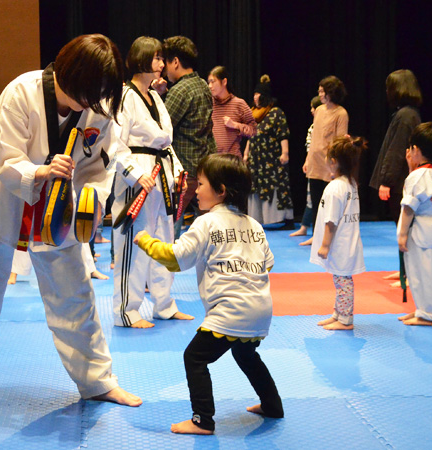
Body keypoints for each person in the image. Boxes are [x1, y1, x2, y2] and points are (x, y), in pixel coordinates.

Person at [0, 34, 142, 414]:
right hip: (3, 192)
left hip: (61, 203)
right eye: (91, 90)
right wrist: (41, 171)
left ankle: (97, 381)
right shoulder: (20, 92)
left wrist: (92, 202)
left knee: (74, 292)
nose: (95, 101)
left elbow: (98, 168)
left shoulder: (100, 108)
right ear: (71, 74)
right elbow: (7, 160)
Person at [134, 154, 284, 434]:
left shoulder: (206, 223)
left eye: (201, 184)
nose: (196, 189)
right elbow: (269, 264)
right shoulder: (254, 225)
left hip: (230, 311)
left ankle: (202, 420)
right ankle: (272, 405)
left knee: (195, 357)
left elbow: (175, 258)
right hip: (261, 310)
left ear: (221, 190)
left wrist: (145, 240)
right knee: (246, 355)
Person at [112, 36, 193, 328]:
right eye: (157, 58)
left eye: (161, 58)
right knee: (133, 244)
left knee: (164, 240)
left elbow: (165, 142)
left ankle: (164, 304)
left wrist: (179, 172)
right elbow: (114, 146)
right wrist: (136, 175)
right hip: (140, 178)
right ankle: (127, 311)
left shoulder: (155, 97)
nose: (161, 64)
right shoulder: (125, 96)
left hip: (163, 173)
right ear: (142, 59)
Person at [159, 35, 216, 237]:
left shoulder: (180, 90)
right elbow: (210, 129)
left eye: (165, 62)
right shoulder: (203, 85)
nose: (164, 68)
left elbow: (161, 130)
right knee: (209, 223)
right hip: (203, 165)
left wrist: (156, 95)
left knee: (170, 221)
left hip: (183, 170)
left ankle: (168, 266)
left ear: (175, 62)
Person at [369, 69, 422, 284]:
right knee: (403, 228)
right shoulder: (407, 113)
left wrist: (386, 181)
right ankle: (404, 270)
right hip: (401, 181)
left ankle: (408, 273)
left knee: (405, 229)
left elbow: (397, 150)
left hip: (400, 182)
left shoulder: (405, 115)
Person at [310, 135, 367, 330]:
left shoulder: (335, 187)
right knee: (340, 279)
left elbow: (331, 220)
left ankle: (345, 319)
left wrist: (325, 245)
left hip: (340, 243)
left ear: (332, 162)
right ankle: (338, 313)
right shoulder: (350, 183)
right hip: (346, 241)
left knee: (343, 281)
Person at [397, 122, 432, 326]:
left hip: (418, 232)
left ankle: (428, 315)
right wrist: (412, 168)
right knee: (425, 273)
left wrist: (401, 234)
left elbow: (408, 207)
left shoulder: (418, 176)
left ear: (415, 150)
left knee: (421, 274)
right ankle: (422, 309)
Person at [301, 76, 349, 246]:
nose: (320, 94)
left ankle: (329, 237)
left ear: (331, 93)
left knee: (329, 202)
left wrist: (336, 166)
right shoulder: (320, 110)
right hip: (314, 161)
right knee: (315, 201)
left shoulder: (341, 113)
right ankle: (316, 235)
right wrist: (307, 160)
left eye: (322, 91)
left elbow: (340, 141)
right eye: (319, 91)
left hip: (330, 164)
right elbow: (314, 138)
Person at [245, 75, 293, 229]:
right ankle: (259, 218)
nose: (254, 97)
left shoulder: (276, 113)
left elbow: (283, 134)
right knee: (256, 187)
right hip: (256, 160)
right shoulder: (253, 114)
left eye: (257, 94)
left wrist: (285, 152)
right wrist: (246, 153)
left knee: (276, 186)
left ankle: (285, 218)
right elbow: (250, 136)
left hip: (271, 159)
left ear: (264, 96)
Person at [290, 96, 323, 237]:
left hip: (323, 167)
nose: (311, 110)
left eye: (313, 108)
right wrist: (307, 162)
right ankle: (305, 227)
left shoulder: (321, 126)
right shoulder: (313, 128)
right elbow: (310, 148)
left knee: (319, 200)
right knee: (311, 198)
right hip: (314, 165)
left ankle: (317, 233)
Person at [207, 66, 256, 158]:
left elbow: (254, 130)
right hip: (212, 160)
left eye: (213, 82)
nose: (210, 86)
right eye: (209, 82)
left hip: (232, 160)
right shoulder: (208, 103)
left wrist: (235, 125)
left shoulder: (239, 104)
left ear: (224, 82)